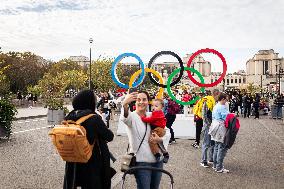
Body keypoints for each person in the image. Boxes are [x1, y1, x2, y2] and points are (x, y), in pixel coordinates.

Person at [63, 90, 115, 189]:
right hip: (91, 160)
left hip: (73, 159)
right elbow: (109, 136)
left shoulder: (69, 117)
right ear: (89, 102)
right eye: (94, 99)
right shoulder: (94, 118)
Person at [120, 90, 170, 189]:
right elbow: (125, 117)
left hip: (158, 161)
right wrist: (125, 104)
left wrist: (160, 139)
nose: (141, 102)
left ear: (148, 102)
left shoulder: (153, 115)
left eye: (144, 99)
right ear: (135, 101)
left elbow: (167, 131)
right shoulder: (132, 117)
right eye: (138, 99)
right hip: (141, 162)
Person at [140, 99, 169, 163]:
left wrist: (142, 118)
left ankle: (157, 154)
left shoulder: (157, 113)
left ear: (161, 107)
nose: (154, 107)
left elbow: (151, 119)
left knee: (152, 140)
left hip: (158, 129)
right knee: (158, 143)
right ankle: (165, 154)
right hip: (159, 129)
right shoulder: (159, 112)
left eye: (156, 106)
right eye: (153, 105)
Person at [209, 93, 230, 173]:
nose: (226, 101)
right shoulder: (222, 107)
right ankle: (219, 167)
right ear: (223, 99)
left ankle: (215, 165)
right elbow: (226, 117)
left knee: (216, 147)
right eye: (226, 99)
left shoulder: (216, 106)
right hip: (220, 127)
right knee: (221, 147)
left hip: (214, 126)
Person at [200, 89, 219, 168]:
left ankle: (211, 159)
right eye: (218, 95)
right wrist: (209, 125)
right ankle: (203, 160)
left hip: (211, 125)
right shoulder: (207, 102)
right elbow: (204, 115)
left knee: (212, 143)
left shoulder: (213, 102)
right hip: (208, 126)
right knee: (206, 143)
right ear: (215, 94)